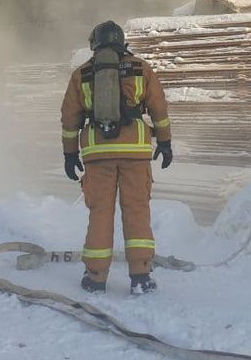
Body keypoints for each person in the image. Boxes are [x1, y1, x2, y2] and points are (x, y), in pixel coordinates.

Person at [61, 21, 173, 294]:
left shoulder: (83, 73)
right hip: (135, 151)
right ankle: (141, 276)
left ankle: (96, 277)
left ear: (95, 43)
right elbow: (159, 107)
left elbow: (69, 118)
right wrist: (165, 142)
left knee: (100, 212)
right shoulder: (140, 68)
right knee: (137, 209)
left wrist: (70, 153)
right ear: (122, 42)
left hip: (97, 152)